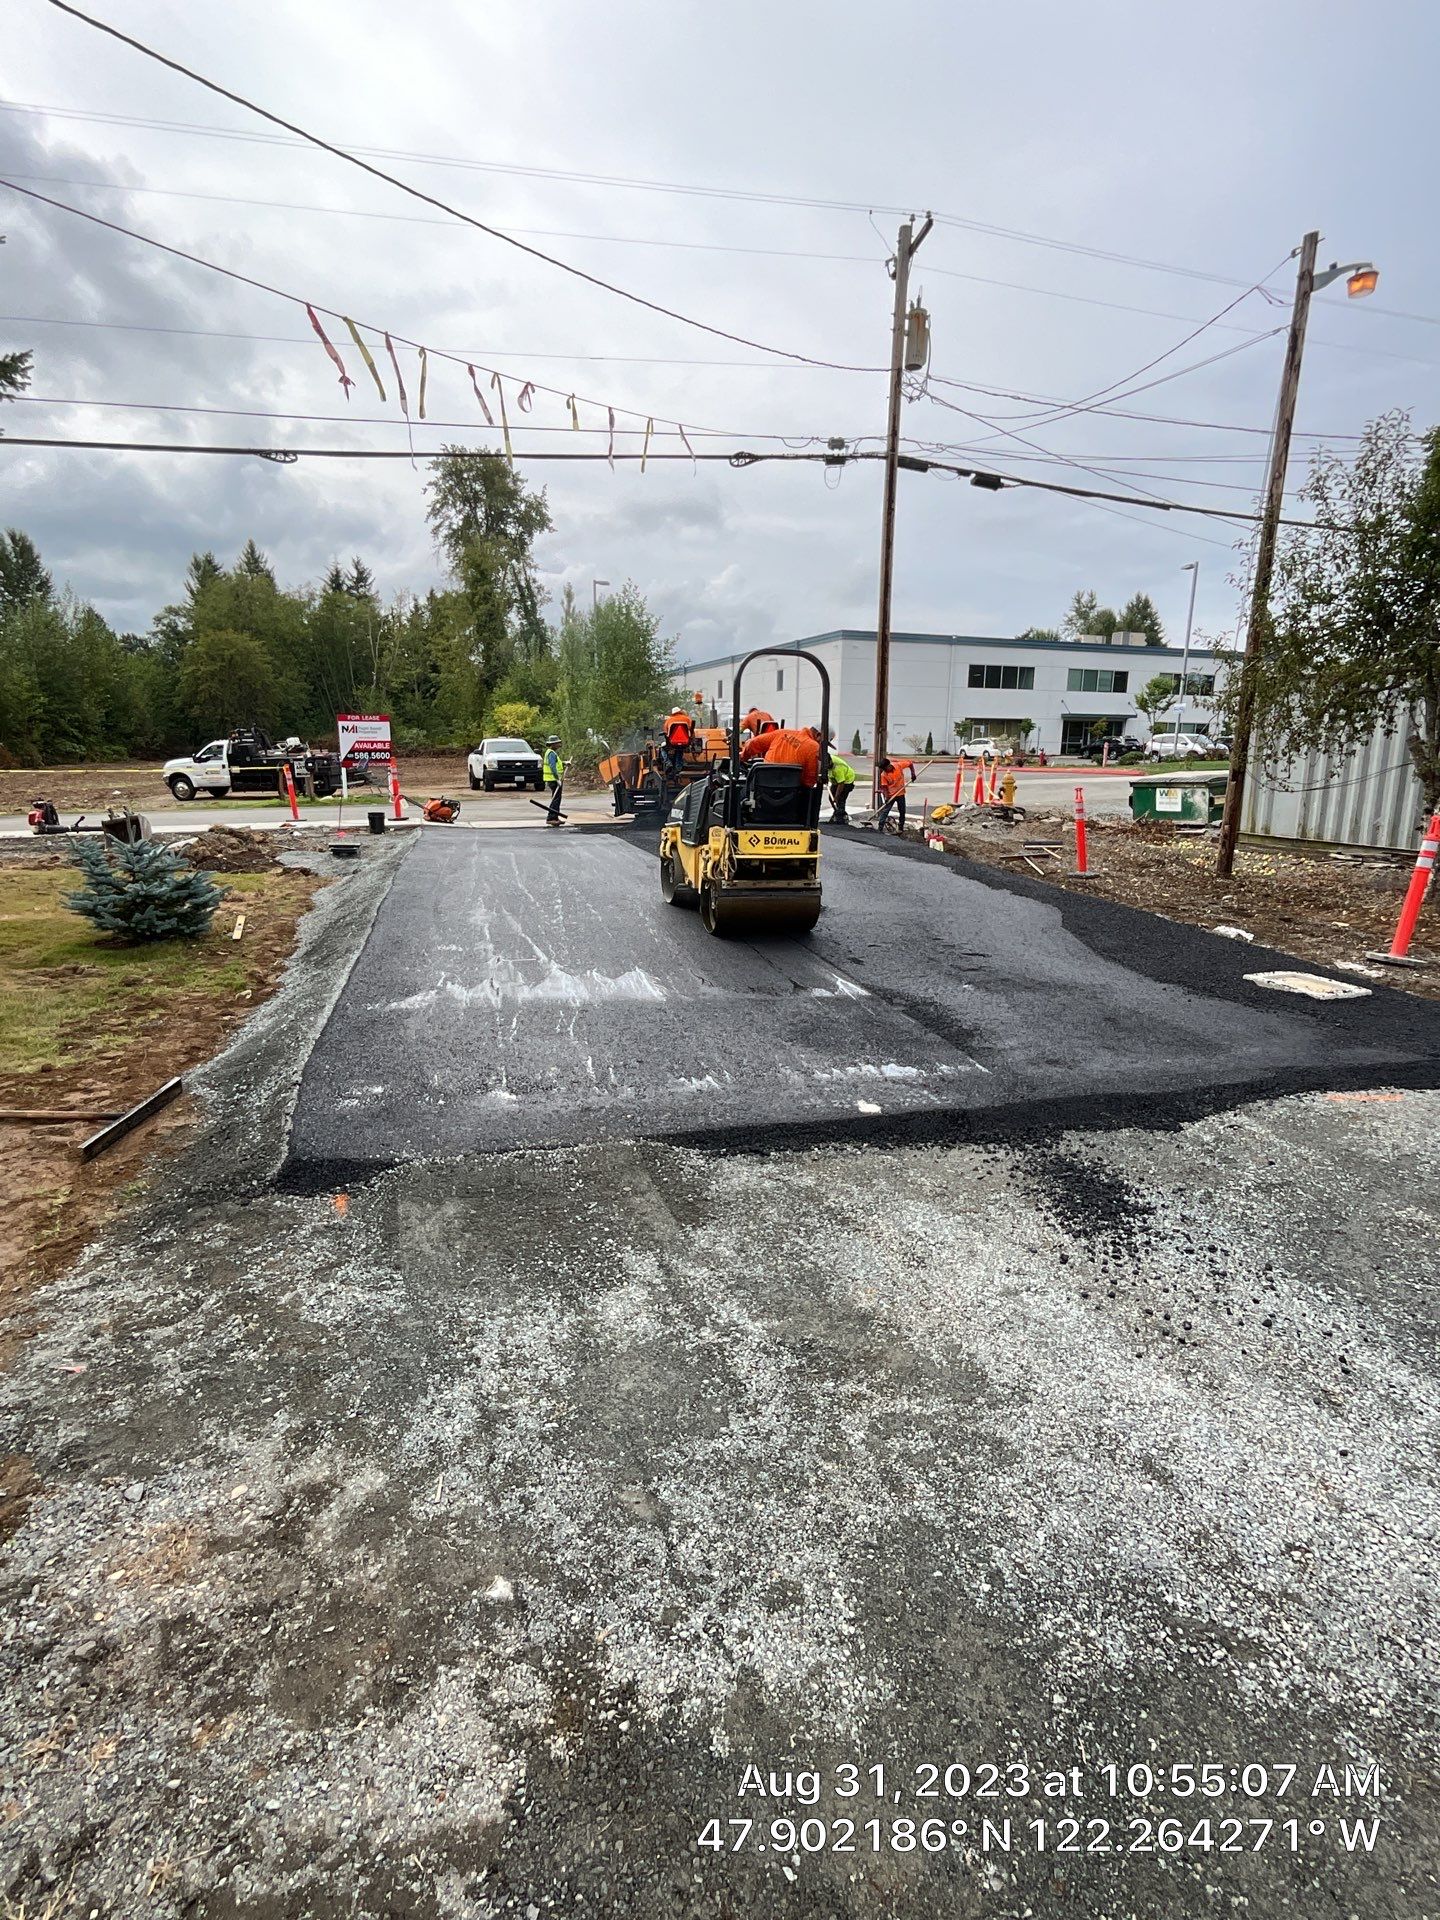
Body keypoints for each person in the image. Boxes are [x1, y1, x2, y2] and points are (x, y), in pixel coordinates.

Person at [739, 723, 822, 786]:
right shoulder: (814, 747)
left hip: (764, 791)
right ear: (818, 736)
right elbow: (809, 781)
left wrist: (743, 757)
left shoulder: (782, 733)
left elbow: (752, 744)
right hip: (792, 798)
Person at [875, 756, 915, 833]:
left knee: (902, 811)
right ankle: (880, 828)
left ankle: (900, 828)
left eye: (885, 768)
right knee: (885, 811)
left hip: (900, 793)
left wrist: (913, 774)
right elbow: (884, 787)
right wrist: (886, 797)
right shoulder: (883, 775)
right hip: (891, 795)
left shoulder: (898, 766)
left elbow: (910, 763)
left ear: (889, 765)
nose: (884, 770)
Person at [826, 743, 857, 823]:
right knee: (831, 798)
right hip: (836, 780)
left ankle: (841, 819)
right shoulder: (825, 759)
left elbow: (841, 784)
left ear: (830, 762)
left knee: (840, 799)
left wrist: (836, 796)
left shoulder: (838, 768)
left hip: (847, 781)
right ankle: (838, 813)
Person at [662, 706, 696, 775]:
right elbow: (691, 730)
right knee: (679, 749)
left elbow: (665, 731)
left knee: (663, 749)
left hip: (672, 743)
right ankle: (678, 767)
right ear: (680, 712)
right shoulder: (687, 719)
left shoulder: (669, 720)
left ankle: (668, 763)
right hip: (685, 742)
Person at [542, 734, 565, 826]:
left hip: (553, 779)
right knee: (556, 799)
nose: (559, 745)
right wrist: (557, 779)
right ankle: (551, 818)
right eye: (557, 743)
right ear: (553, 744)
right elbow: (552, 766)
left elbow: (555, 764)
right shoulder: (551, 753)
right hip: (553, 780)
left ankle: (555, 817)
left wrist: (564, 763)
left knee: (556, 799)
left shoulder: (551, 753)